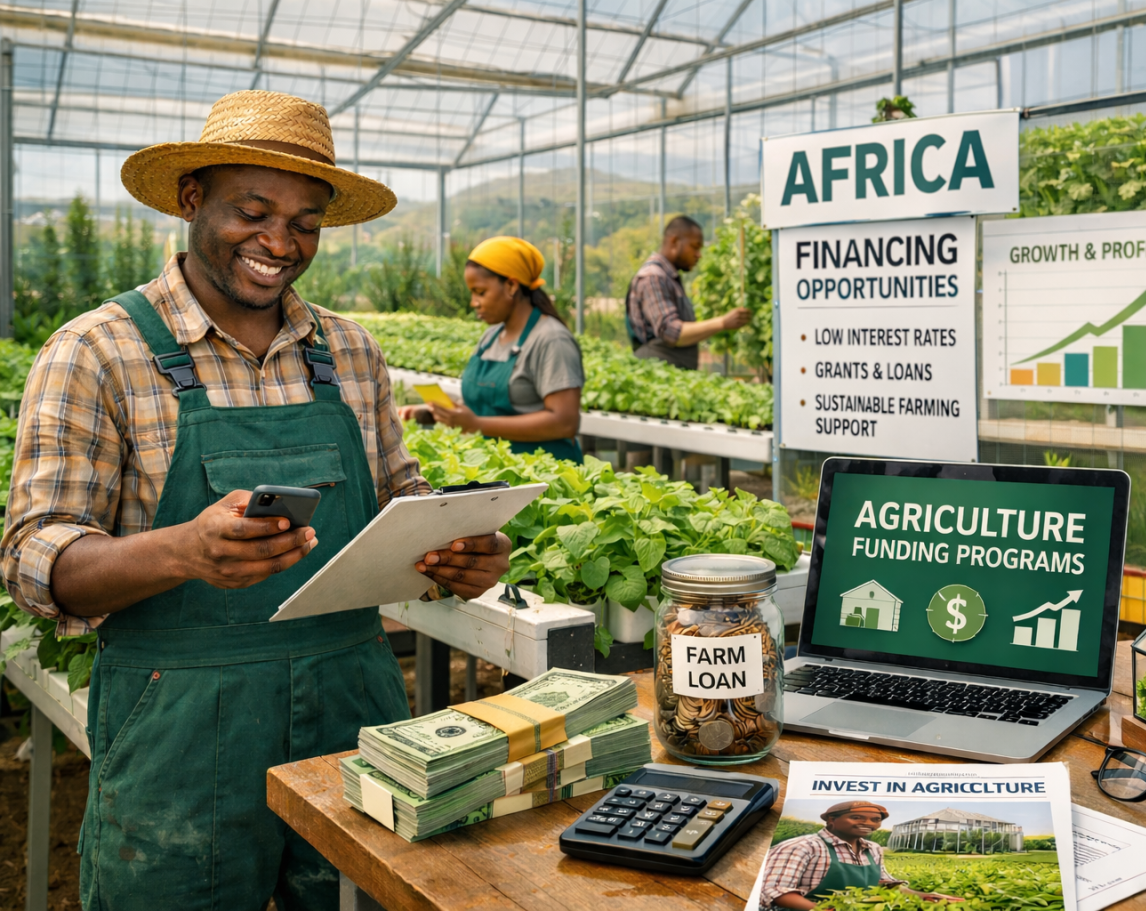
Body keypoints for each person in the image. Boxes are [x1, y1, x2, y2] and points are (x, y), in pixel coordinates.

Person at [0, 90, 512, 911]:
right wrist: (181, 550)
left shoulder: (348, 350)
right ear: (191, 197)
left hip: (355, 705)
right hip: (178, 725)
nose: (280, 241)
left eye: (305, 221)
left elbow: (400, 499)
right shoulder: (97, 351)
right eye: (254, 209)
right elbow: (34, 559)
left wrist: (457, 552)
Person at [399, 237, 584, 462]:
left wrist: (477, 425)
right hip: (497, 469)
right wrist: (437, 413)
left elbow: (564, 422)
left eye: (480, 292)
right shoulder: (491, 337)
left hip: (548, 476)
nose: (473, 302)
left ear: (511, 286)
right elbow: (485, 407)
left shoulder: (551, 339)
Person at [759, 801, 963, 910]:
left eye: (875, 819)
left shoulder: (873, 848)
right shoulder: (802, 847)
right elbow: (773, 891)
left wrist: (927, 897)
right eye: (856, 817)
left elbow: (883, 884)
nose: (869, 823)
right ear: (832, 820)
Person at [626, 214, 751, 369]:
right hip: (656, 373)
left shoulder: (669, 277)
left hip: (669, 373)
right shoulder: (653, 277)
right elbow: (671, 332)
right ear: (674, 241)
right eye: (695, 247)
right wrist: (723, 322)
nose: (698, 254)